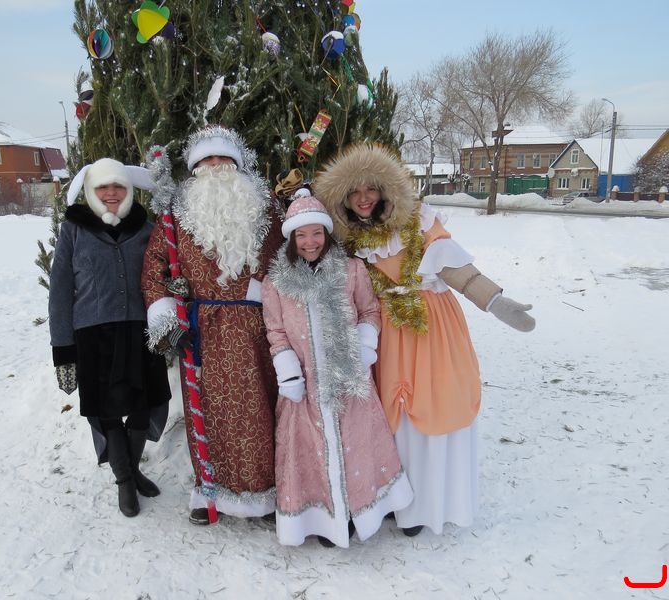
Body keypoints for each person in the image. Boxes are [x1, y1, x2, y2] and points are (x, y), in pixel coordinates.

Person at [314, 143, 536, 537]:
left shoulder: (417, 220)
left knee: (434, 405)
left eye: (371, 188)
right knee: (390, 417)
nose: (363, 198)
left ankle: (426, 505)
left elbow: (453, 266)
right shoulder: (345, 239)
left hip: (430, 325)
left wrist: (494, 300)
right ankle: (393, 498)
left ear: (385, 189)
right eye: (354, 191)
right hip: (381, 333)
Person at [141, 125, 284, 525]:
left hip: (259, 329)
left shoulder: (266, 207)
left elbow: (287, 258)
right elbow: (153, 271)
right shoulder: (174, 214)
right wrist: (167, 320)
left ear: (236, 163)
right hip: (203, 331)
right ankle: (209, 492)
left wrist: (265, 291)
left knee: (262, 412)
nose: (215, 165)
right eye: (206, 159)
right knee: (208, 413)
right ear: (194, 167)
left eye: (222, 157)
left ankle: (266, 495)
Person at [261, 190, 414, 548]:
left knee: (357, 445)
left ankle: (361, 511)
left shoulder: (351, 270)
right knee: (311, 452)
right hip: (305, 386)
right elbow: (276, 330)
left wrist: (363, 346)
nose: (310, 242)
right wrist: (286, 367)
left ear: (327, 234)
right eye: (301, 235)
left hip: (349, 380)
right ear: (291, 239)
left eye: (317, 233)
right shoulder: (276, 282)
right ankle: (326, 518)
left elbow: (369, 311)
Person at [49, 157, 171, 518]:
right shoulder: (73, 230)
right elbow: (60, 290)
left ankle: (131, 470)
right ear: (91, 191)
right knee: (106, 411)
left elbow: (164, 274)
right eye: (103, 187)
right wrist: (62, 349)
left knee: (144, 405)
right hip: (93, 336)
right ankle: (125, 480)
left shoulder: (147, 228)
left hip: (141, 332)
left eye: (118, 186)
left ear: (129, 189)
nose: (111, 193)